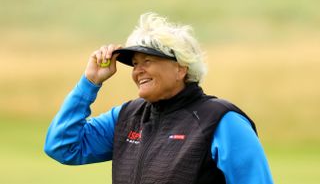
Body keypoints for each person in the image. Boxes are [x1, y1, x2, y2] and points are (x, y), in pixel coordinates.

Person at [44, 12, 273, 184]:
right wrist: (90, 83)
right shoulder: (126, 117)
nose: (138, 70)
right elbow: (63, 146)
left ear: (181, 68)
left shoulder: (222, 121)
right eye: (135, 64)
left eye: (147, 61)